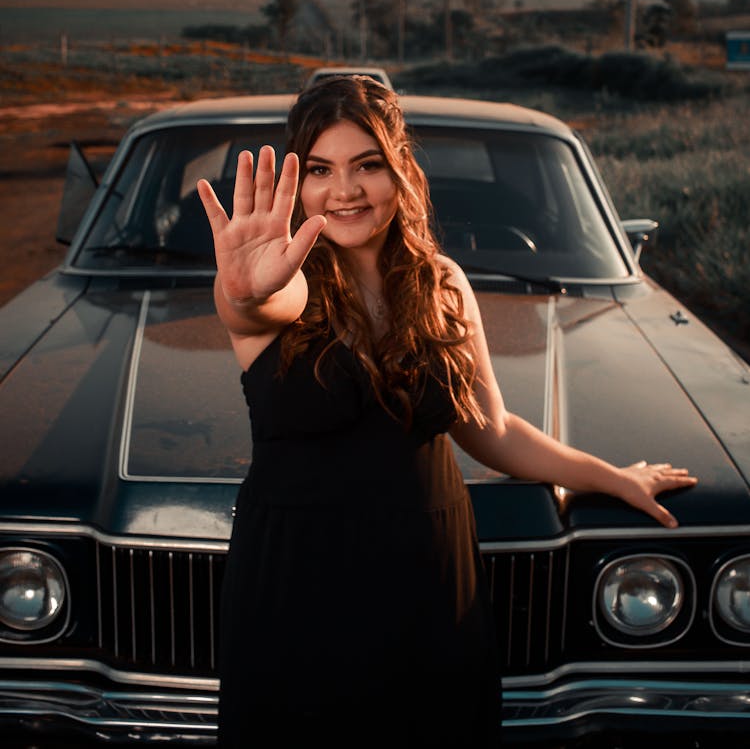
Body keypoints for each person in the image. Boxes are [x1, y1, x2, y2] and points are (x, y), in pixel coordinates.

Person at [197, 75, 696, 749]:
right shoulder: (281, 283)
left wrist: (609, 475)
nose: (343, 190)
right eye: (320, 170)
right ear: (299, 184)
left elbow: (491, 427)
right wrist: (244, 290)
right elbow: (254, 305)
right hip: (297, 585)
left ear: (400, 170)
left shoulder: (442, 284)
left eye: (366, 165)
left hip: (428, 579)